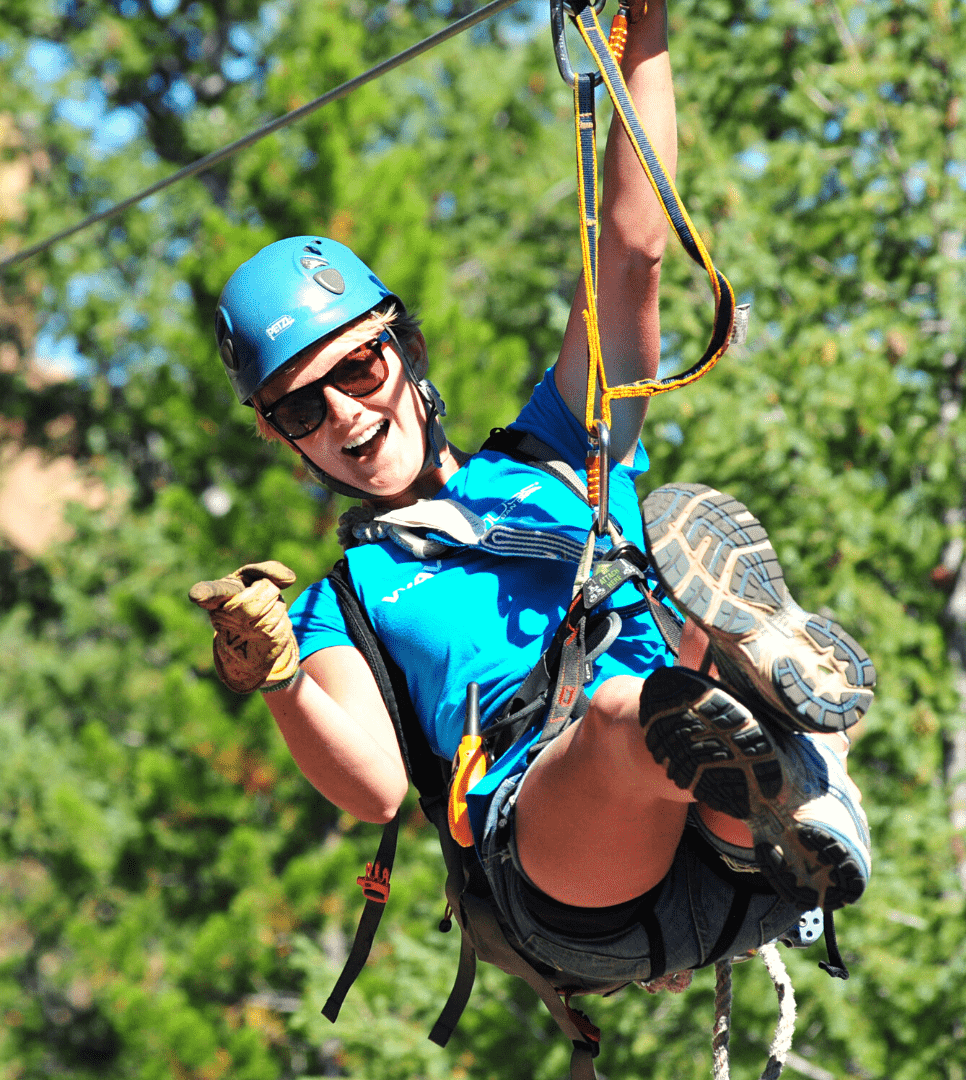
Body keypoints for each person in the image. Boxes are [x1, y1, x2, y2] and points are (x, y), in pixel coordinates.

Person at [190, 0, 873, 989]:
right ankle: (773, 758)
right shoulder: (331, 607)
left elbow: (632, 253)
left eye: (360, 371)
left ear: (407, 350)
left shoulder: (557, 448)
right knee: (628, 717)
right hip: (565, 874)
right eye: (301, 409)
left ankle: (774, 779)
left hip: (736, 864)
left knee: (691, 595)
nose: (343, 415)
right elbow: (378, 788)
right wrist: (279, 680)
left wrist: (645, 33)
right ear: (278, 434)